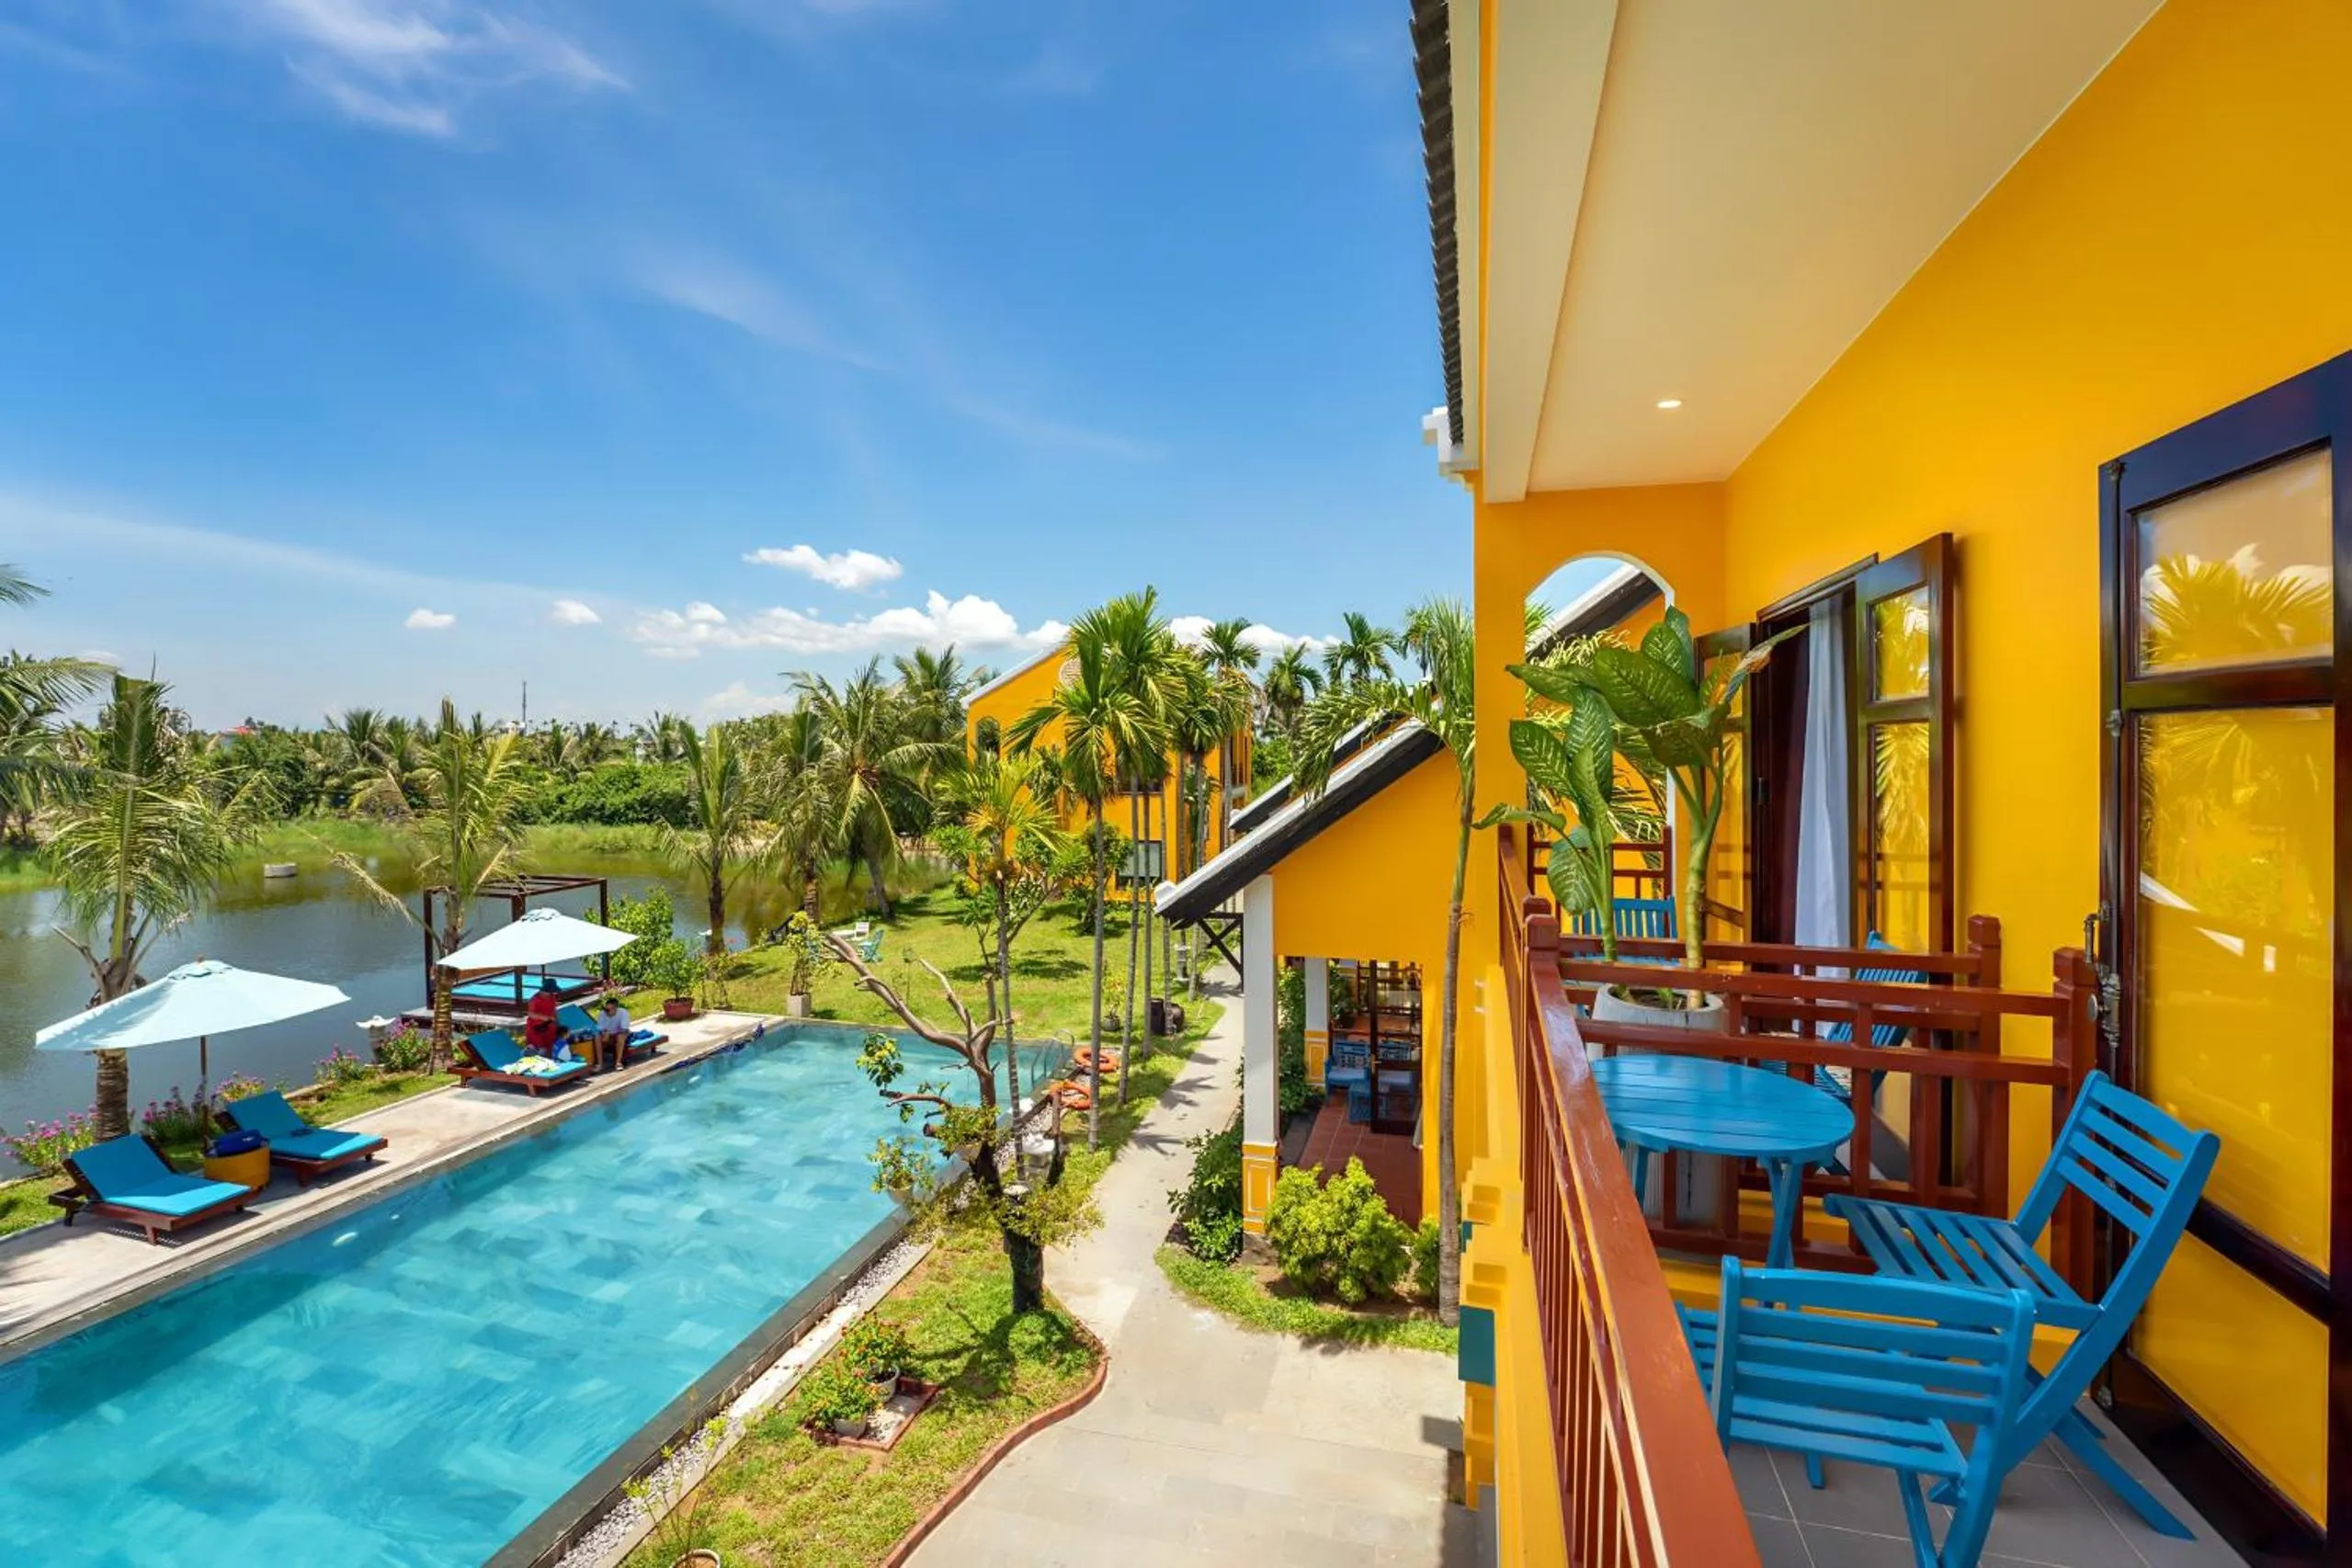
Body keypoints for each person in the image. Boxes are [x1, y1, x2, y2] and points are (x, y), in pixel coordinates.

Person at [521, 975, 563, 1055]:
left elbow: (554, 1009)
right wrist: (545, 1018)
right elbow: (531, 1014)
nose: (551, 993)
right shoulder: (534, 1000)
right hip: (536, 1028)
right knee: (540, 1050)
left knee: (551, 1048)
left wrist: (558, 1022)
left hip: (550, 1027)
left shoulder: (552, 997)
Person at [593, 994, 631, 1073]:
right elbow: (600, 1028)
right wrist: (604, 1034)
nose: (606, 1011)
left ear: (615, 1009)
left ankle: (618, 1063)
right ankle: (600, 1064)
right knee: (597, 1037)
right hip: (608, 1035)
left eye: (608, 1010)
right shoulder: (602, 1014)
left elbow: (625, 1030)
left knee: (620, 1037)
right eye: (605, 1009)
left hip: (620, 1034)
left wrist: (610, 1034)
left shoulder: (623, 1013)